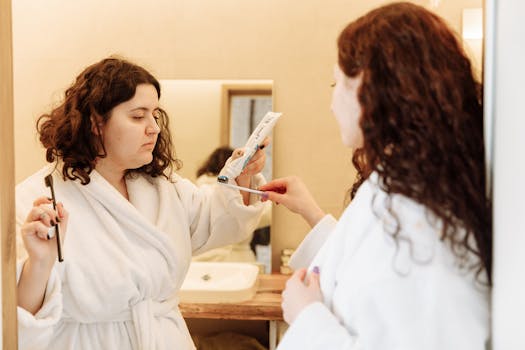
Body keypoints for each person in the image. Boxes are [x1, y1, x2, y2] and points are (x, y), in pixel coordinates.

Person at [259, 3, 491, 349]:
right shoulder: (406, 184)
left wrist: (307, 316)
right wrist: (311, 212)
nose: (332, 103)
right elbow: (372, 272)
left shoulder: (422, 218)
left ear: (371, 90)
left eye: (337, 83)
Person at [15, 57, 268, 350]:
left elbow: (217, 220)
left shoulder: (163, 187)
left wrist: (243, 176)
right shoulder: (37, 198)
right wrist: (40, 263)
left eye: (155, 115)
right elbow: (18, 318)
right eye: (138, 117)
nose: (154, 128)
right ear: (96, 122)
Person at [193, 146, 272, 263]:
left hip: (203, 261)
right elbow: (267, 215)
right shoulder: (246, 190)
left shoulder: (199, 189)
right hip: (239, 260)